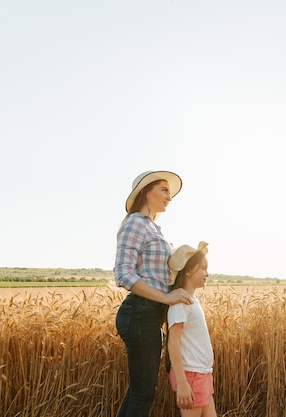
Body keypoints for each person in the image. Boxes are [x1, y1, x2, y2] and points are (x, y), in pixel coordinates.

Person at [114, 170, 193, 417]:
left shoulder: (153, 228)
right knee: (143, 393)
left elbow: (160, 275)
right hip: (140, 313)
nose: (169, 196)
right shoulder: (135, 222)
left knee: (140, 391)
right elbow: (123, 273)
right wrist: (166, 298)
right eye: (164, 190)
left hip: (149, 315)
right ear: (146, 191)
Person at [167, 242, 217, 417]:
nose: (207, 273)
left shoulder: (192, 300)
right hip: (190, 374)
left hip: (201, 373)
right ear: (188, 271)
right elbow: (173, 343)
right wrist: (182, 383)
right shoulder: (181, 302)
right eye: (203, 268)